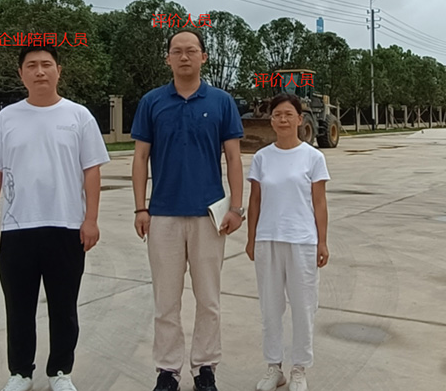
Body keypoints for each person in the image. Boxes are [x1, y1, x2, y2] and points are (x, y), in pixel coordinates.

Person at [0, 44, 110, 391]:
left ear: (58, 71)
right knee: (18, 306)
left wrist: (91, 219)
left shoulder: (79, 116)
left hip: (66, 227)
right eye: (32, 65)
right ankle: (20, 373)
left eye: (46, 64)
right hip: (18, 227)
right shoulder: (6, 119)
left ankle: (60, 372)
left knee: (64, 306)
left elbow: (92, 170)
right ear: (21, 74)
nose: (40, 71)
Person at [131, 29, 245, 391]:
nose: (184, 57)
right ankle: (167, 370)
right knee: (166, 300)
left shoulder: (222, 102)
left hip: (209, 215)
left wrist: (237, 207)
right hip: (163, 214)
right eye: (177, 51)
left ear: (203, 57)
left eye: (191, 50)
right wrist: (140, 208)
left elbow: (234, 158)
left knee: (208, 299)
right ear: (167, 58)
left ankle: (205, 368)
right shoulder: (152, 102)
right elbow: (140, 157)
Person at [245, 93, 330, 391]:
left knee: (303, 307)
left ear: (299, 119)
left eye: (288, 114)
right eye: (277, 115)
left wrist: (322, 242)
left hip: (302, 240)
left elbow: (319, 203)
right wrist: (251, 238)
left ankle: (299, 369)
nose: (283, 119)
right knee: (270, 308)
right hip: (268, 238)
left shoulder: (313, 157)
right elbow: (255, 200)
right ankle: (274, 367)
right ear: (271, 120)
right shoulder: (262, 158)